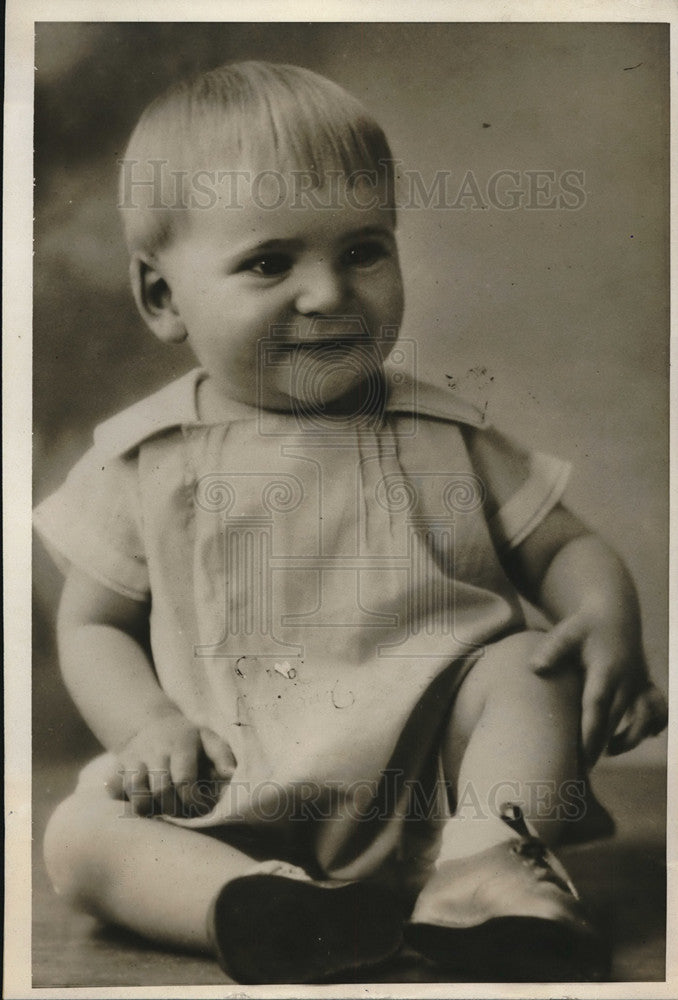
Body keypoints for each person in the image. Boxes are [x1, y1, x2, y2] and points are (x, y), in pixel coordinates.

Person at [34, 60, 667, 985]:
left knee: (534, 665)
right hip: (227, 786)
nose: (329, 293)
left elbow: (565, 546)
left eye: (364, 249)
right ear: (163, 297)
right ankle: (257, 907)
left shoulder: (442, 431)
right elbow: (91, 624)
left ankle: (482, 865)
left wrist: (611, 623)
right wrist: (149, 726)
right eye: (269, 261)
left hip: (435, 791)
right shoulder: (146, 458)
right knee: (80, 837)